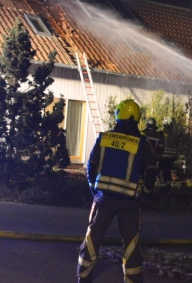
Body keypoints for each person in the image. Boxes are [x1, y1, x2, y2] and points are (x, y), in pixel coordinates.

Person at [77, 99, 158, 283]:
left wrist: (94, 189)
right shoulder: (141, 142)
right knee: (131, 246)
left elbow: (91, 166)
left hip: (103, 200)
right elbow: (151, 171)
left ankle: (83, 277)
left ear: (119, 114)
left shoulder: (104, 137)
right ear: (136, 118)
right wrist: (145, 190)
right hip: (130, 204)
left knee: (92, 240)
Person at [158, 116, 180, 189]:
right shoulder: (174, 134)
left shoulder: (160, 133)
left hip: (163, 155)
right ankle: (168, 183)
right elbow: (177, 145)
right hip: (172, 156)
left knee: (161, 169)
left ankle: (163, 184)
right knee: (168, 169)